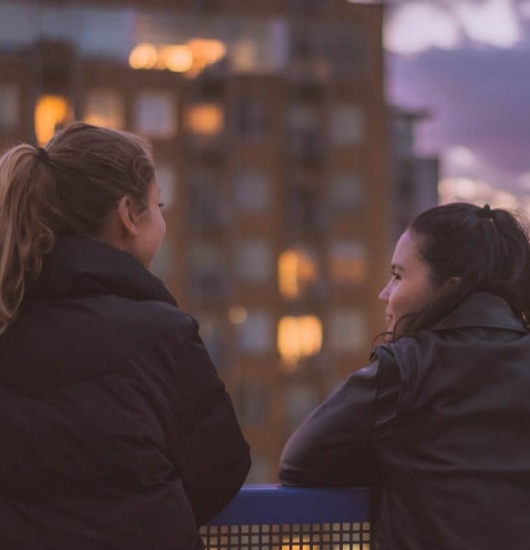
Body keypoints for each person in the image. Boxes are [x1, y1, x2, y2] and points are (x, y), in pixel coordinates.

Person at [0, 121, 251, 550]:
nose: (163, 221)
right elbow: (223, 465)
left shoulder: (8, 322)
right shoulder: (164, 336)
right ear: (128, 216)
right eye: (158, 206)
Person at [279, 202, 530, 550]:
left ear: (449, 288)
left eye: (397, 276)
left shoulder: (407, 366)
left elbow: (298, 462)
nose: (385, 293)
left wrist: (398, 467)